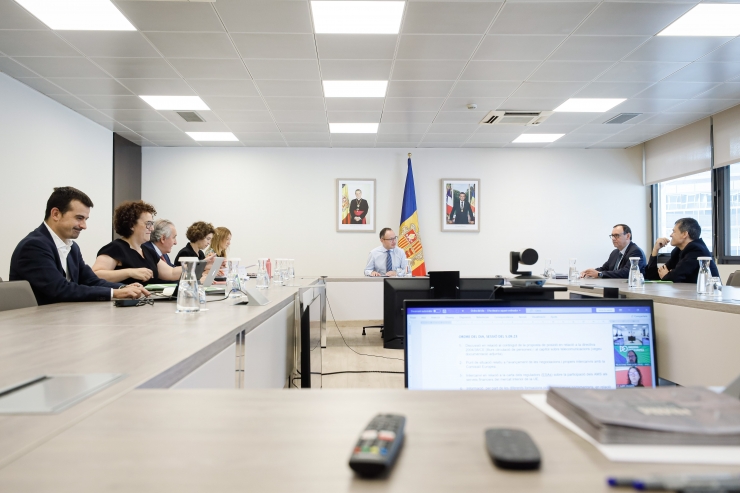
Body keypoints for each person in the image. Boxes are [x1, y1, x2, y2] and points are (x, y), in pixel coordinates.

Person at [9, 187, 148, 305]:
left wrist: (125, 287)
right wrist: (115, 293)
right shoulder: (34, 246)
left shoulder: (72, 247)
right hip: (37, 326)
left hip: (64, 319)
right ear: (56, 214)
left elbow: (90, 280)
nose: (84, 226)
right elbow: (60, 289)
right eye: (79, 218)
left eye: (85, 219)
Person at [92, 201, 182, 286]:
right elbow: (95, 275)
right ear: (131, 225)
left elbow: (171, 273)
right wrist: (130, 272)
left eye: (152, 224)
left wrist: (193, 267)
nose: (152, 229)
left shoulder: (148, 251)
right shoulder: (115, 248)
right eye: (148, 224)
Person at [645, 217, 719, 283]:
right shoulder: (678, 251)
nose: (671, 235)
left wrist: (668, 275)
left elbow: (675, 276)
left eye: (674, 231)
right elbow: (654, 276)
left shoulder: (697, 250)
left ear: (684, 234)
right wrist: (655, 250)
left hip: (707, 295)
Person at [581, 224, 647, 279]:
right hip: (616, 286)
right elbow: (605, 268)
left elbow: (627, 272)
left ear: (627, 236)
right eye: (612, 236)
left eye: (616, 235)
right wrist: (590, 272)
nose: (613, 238)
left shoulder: (636, 252)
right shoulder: (615, 252)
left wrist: (599, 274)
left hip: (631, 289)